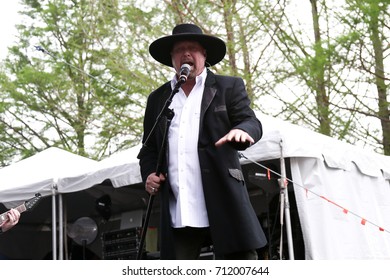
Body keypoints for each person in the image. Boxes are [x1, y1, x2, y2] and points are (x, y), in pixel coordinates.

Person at [138, 23, 267, 260]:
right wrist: (149, 174)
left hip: (224, 199)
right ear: (172, 58)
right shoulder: (158, 99)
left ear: (204, 55)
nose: (186, 54)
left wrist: (241, 130)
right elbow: (148, 150)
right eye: (180, 49)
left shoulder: (228, 86)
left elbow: (251, 121)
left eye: (193, 49)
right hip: (179, 207)